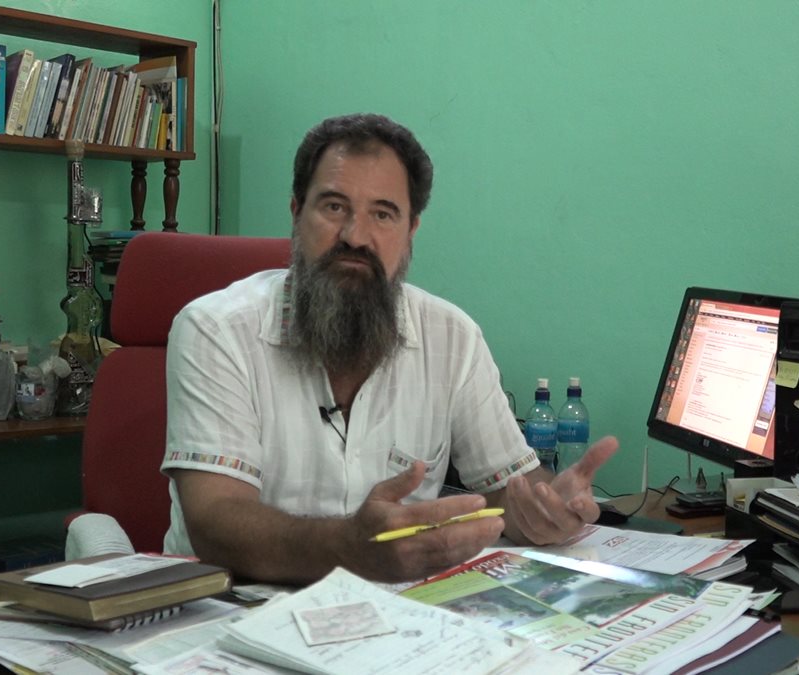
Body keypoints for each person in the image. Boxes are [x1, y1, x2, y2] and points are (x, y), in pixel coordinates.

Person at [161, 113, 618, 584]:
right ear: (296, 213)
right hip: (227, 610)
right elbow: (214, 521)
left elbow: (507, 492)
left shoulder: (453, 337)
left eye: (383, 214)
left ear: (411, 230)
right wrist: (349, 550)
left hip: (397, 621)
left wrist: (545, 508)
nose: (356, 236)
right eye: (334, 207)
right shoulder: (216, 329)